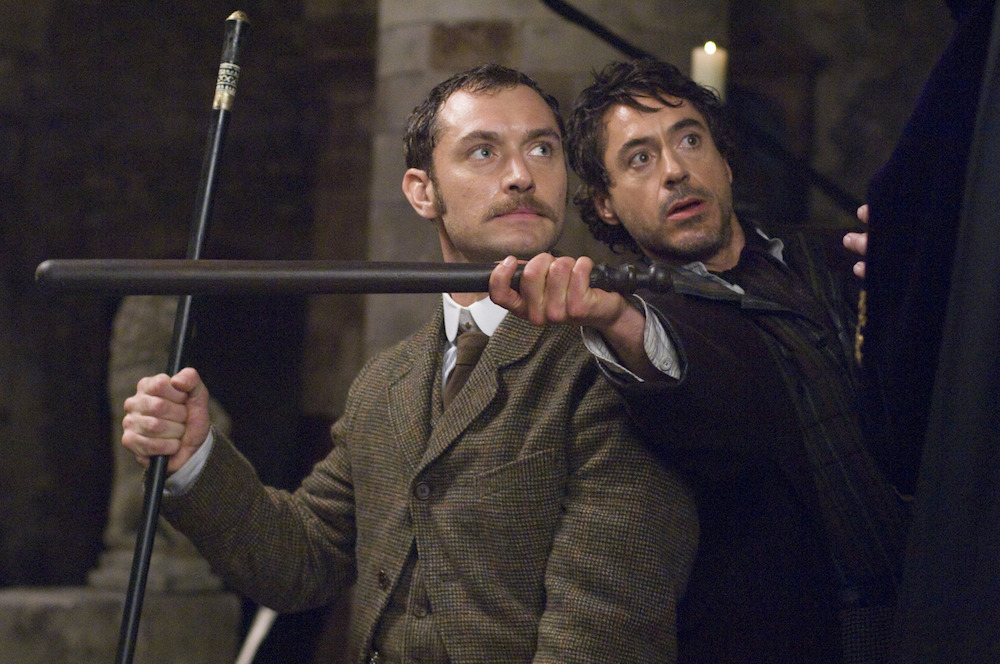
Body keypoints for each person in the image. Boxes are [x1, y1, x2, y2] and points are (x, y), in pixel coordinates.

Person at [121, 64, 698, 664]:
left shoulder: (619, 361)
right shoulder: (385, 381)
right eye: (483, 151)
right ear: (423, 192)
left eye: (542, 149)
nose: (522, 176)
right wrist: (194, 457)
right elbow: (301, 561)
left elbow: (604, 629)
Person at [490, 58, 910, 663]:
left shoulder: (836, 253)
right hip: (798, 637)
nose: (675, 171)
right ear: (605, 204)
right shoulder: (643, 315)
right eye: (640, 158)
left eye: (689, 140)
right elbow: (717, 415)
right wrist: (619, 322)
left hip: (940, 598)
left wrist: (930, 273)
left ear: (726, 162)